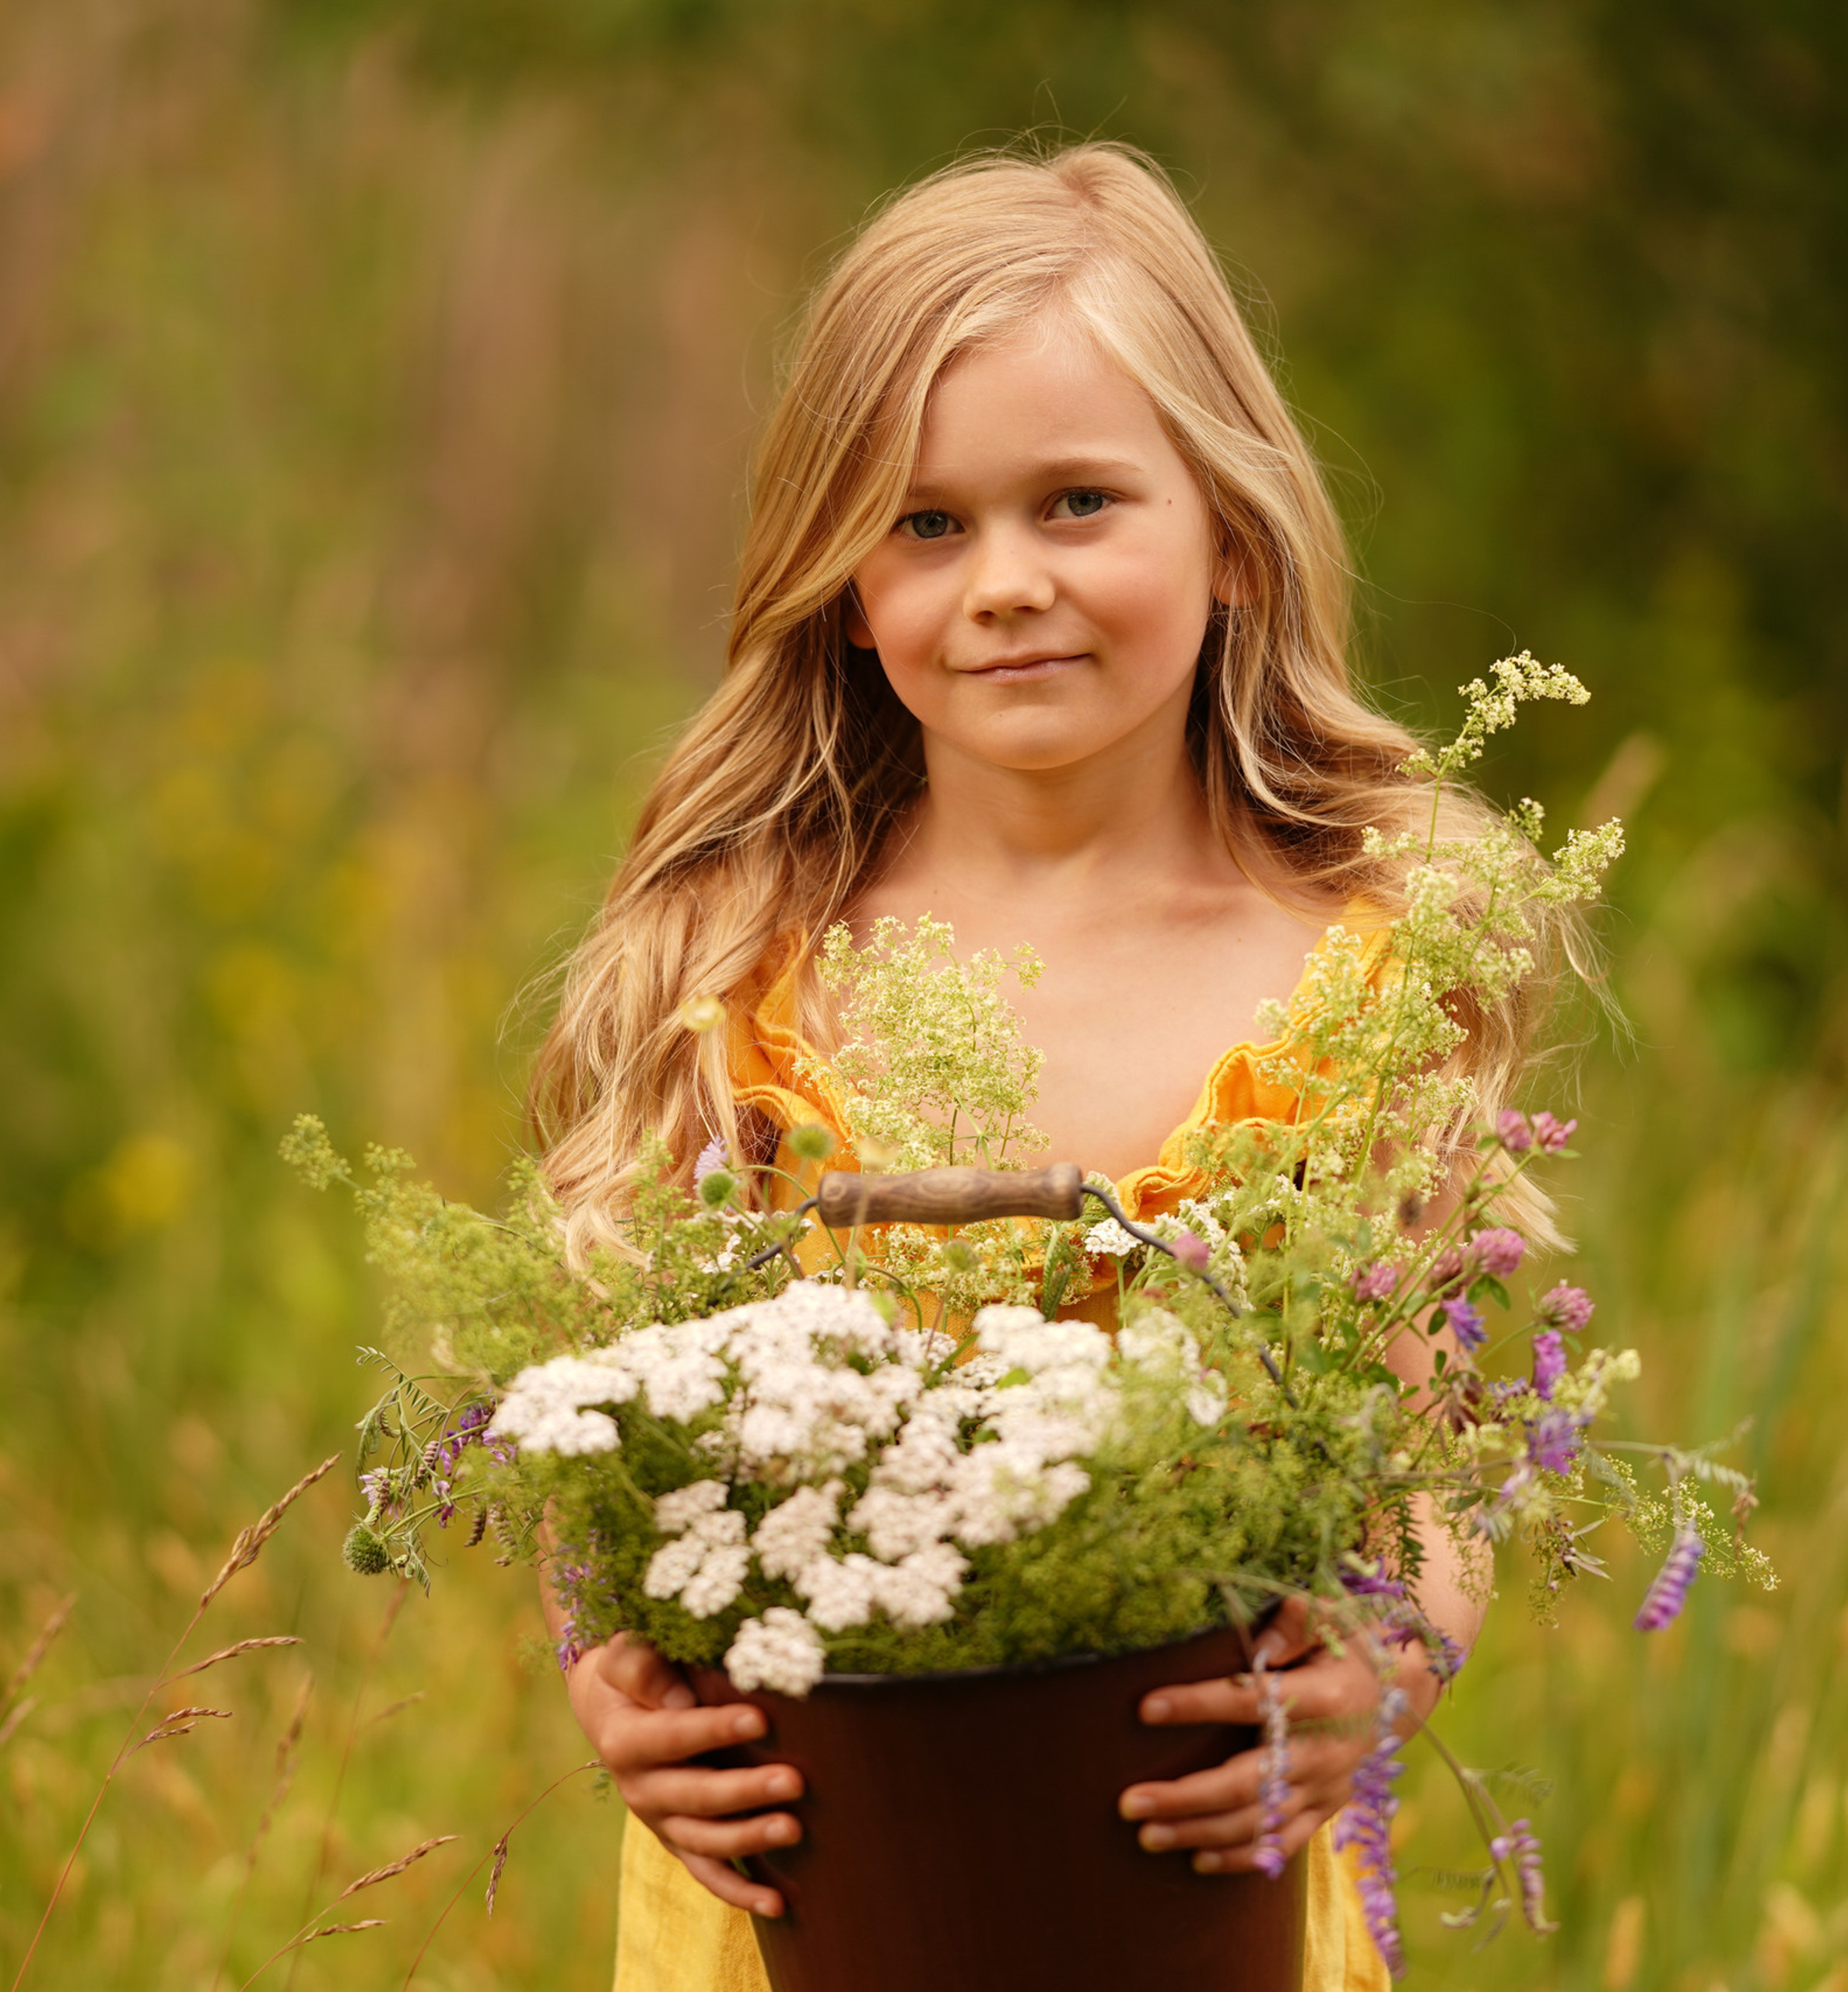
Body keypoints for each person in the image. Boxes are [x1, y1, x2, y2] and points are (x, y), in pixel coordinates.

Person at [529, 142, 1565, 1992]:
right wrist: (607, 1665)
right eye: (925, 524)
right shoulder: (742, 961)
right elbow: (595, 1413)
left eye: (1076, 503)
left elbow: (1430, 1441)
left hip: (1185, 1891)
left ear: (1229, 534)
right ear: (846, 583)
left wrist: (1383, 1658)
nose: (1002, 581)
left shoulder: (1354, 973)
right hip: (800, 1896)